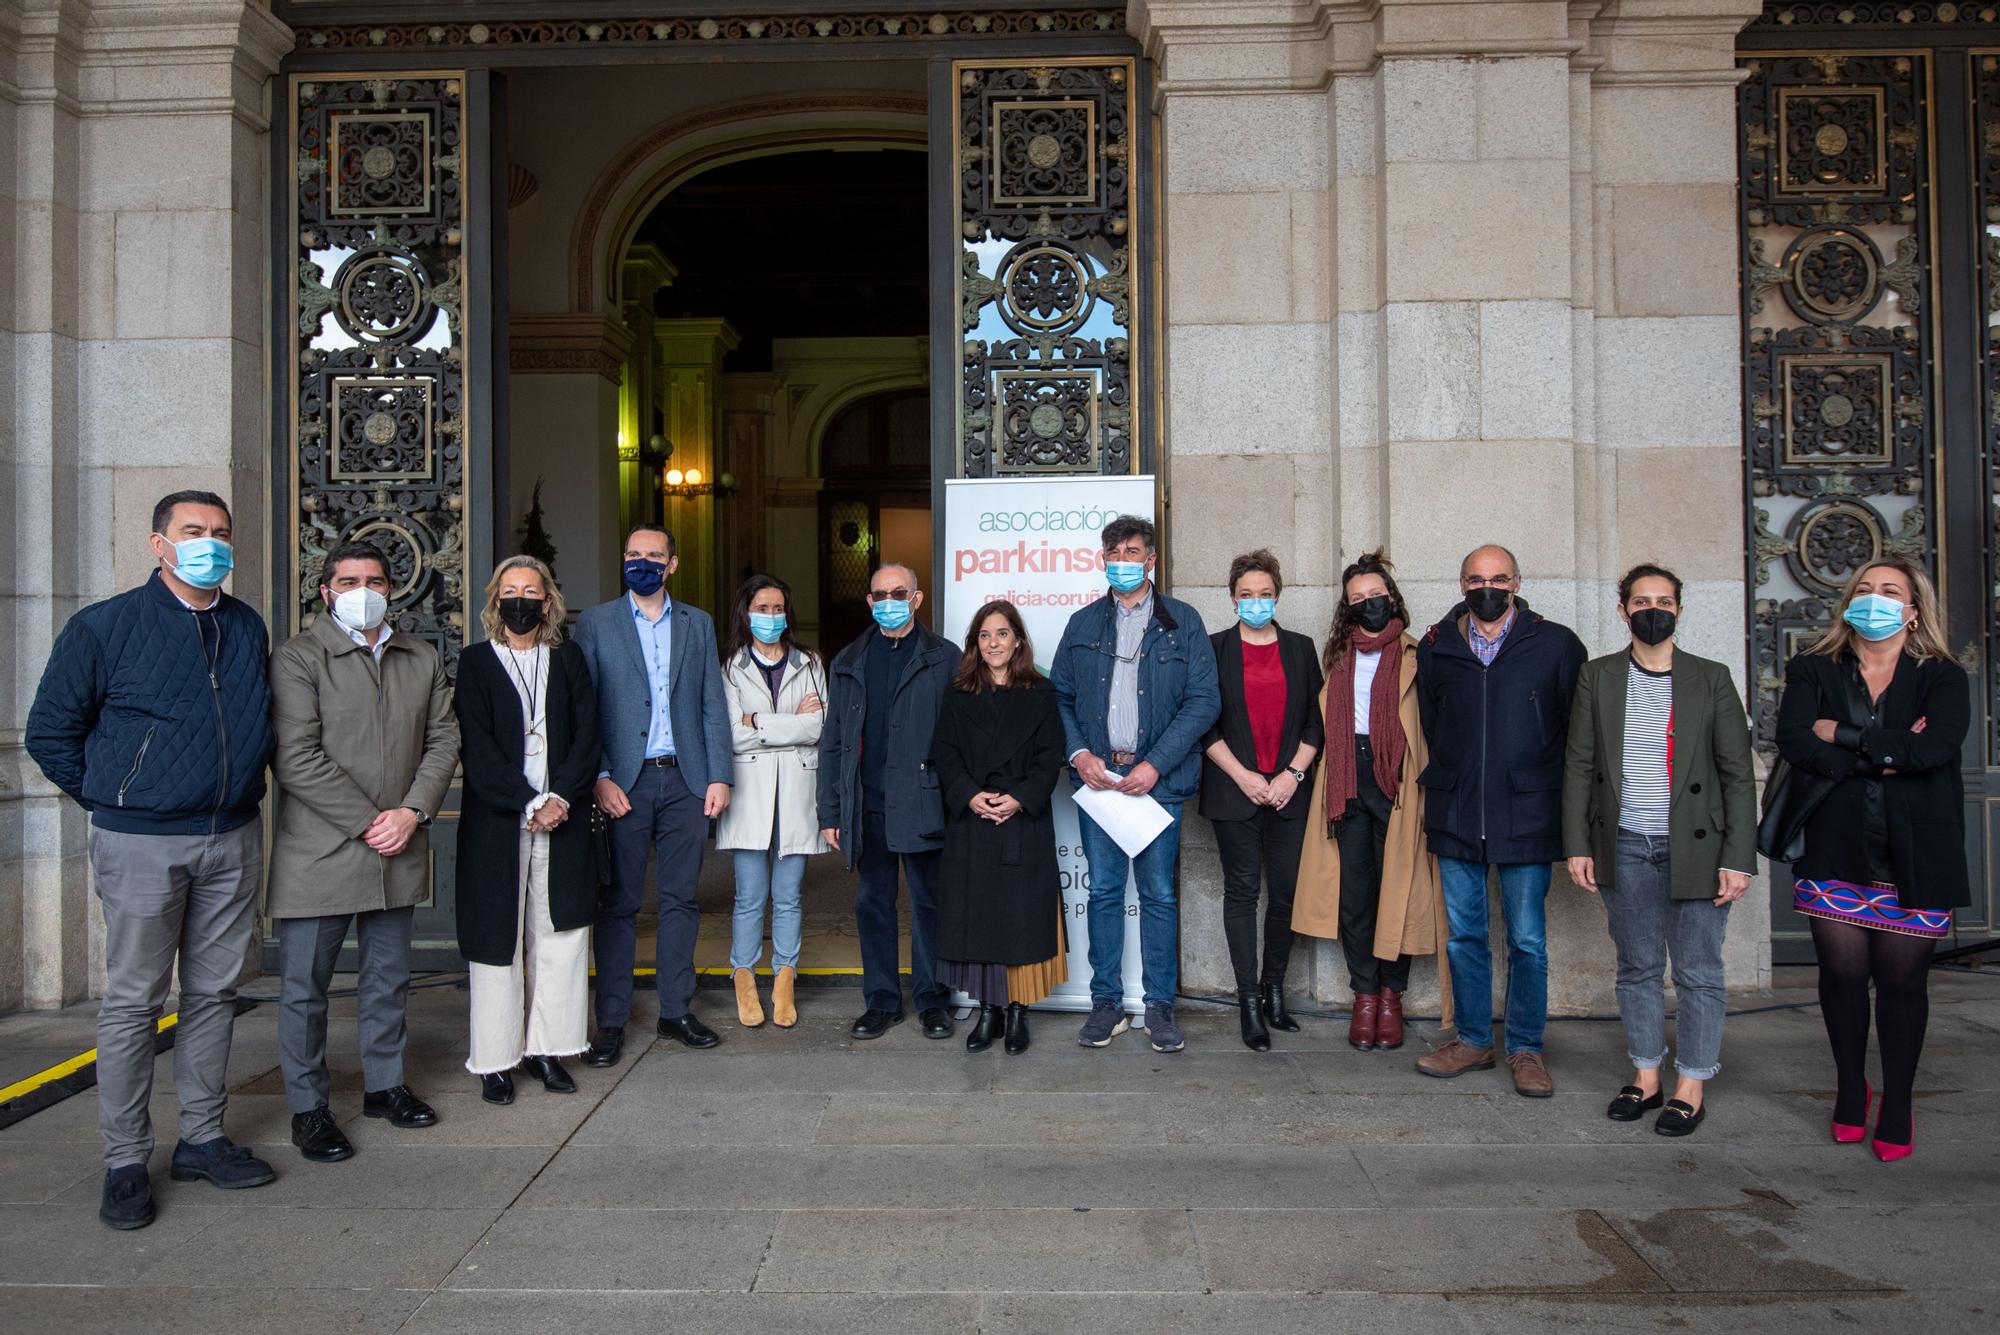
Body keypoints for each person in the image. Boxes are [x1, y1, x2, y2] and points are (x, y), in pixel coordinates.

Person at [25, 490, 279, 1229]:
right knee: (135, 1000)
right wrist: (119, 795)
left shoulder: (243, 624)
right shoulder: (104, 627)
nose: (210, 544)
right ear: (157, 544)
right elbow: (50, 733)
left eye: (221, 533)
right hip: (140, 840)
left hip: (232, 833)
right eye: (193, 532)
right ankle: (126, 1158)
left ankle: (201, 1136)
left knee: (213, 993)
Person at [267, 541, 460, 1162]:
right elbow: (297, 756)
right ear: (326, 591)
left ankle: (385, 1085)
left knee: (387, 979)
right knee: (305, 989)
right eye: (348, 580)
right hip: (320, 850)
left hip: (397, 844)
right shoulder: (299, 659)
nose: (363, 590)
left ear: (392, 588)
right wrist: (371, 821)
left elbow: (443, 738)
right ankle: (308, 1108)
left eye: (374, 579)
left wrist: (412, 812)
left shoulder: (419, 657)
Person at [1776, 557, 1969, 1161]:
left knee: (1903, 982)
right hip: (1835, 847)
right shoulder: (1813, 668)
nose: (1875, 598)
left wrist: (1845, 735)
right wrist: (1888, 752)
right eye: (1864, 589)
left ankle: (1900, 1100)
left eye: (1890, 591)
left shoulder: (1943, 676)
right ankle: (1851, 1089)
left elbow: (1935, 748)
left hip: (1919, 851)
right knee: (1840, 977)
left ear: (1913, 612)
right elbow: (1795, 740)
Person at [1562, 564, 1757, 1137]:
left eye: (1665, 601)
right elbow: (1579, 765)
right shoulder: (1596, 677)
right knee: (1637, 966)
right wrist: (1578, 843)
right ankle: (1646, 1077)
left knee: (1698, 969)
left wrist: (1738, 857)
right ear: (1622, 612)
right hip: (1623, 844)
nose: (1654, 610)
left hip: (1697, 847)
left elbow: (1737, 775)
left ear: (1679, 609)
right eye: (1642, 601)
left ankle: (1691, 1085)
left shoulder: (1711, 677)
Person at [1413, 543, 1585, 1096]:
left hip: (1527, 810)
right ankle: (1470, 1039)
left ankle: (1526, 1048)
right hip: (1458, 808)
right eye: (1475, 579)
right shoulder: (1438, 646)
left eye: (1498, 578)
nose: (1487, 588)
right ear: (1461, 584)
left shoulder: (1556, 644)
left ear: (1517, 581)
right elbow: (1433, 725)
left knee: (1528, 939)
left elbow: (1572, 733)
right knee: (1464, 936)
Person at [1050, 515, 1220, 1053]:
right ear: (1103, 560)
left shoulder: (1183, 622)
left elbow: (1203, 700)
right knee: (1102, 892)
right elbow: (1060, 697)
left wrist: (1157, 765)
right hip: (1100, 781)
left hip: (1157, 784)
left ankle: (1160, 1007)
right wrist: (1079, 753)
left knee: (1159, 894)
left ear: (1150, 560)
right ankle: (1106, 1004)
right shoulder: (1082, 624)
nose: (1122, 560)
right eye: (1113, 552)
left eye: (1132, 552)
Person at [574, 525, 733, 1063]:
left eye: (654, 556)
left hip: (686, 780)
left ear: (673, 564)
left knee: (680, 900)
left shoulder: (697, 623)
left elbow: (713, 702)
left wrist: (718, 774)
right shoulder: (595, 624)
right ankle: (612, 1021)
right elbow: (583, 708)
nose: (643, 562)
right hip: (623, 783)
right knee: (618, 904)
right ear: (624, 560)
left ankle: (675, 1012)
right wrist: (597, 776)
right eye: (634, 555)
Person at [454, 556, 602, 1104]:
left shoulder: (568, 659)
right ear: (496, 600)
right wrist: (529, 800)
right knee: (498, 940)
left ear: (547, 601)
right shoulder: (474, 663)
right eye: (510, 590)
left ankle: (549, 1049)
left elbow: (589, 731)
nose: (521, 599)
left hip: (562, 819)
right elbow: (476, 745)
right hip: (499, 821)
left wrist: (560, 796)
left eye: (531, 591)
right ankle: (496, 1060)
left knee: (560, 936)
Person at [1292, 550, 1448, 1053]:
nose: (1368, 604)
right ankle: (1363, 995)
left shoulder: (1416, 654)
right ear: (1346, 606)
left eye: (1375, 595)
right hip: (1345, 778)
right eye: (1357, 598)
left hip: (1396, 778)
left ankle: (1391, 996)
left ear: (1391, 597)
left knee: (1396, 890)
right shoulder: (1337, 654)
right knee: (1355, 895)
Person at [817, 562, 959, 1040]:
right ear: (869, 602)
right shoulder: (849, 659)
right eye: (880, 594)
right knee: (872, 904)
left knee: (929, 905)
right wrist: (830, 810)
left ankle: (932, 999)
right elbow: (833, 741)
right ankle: (880, 1000)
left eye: (899, 592)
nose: (889, 600)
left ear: (917, 599)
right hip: (867, 805)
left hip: (923, 802)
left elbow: (958, 739)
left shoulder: (944, 657)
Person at [1198, 550, 1324, 1051]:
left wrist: (1293, 773)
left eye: (1264, 593)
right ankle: (1248, 1000)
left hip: (1290, 791)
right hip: (1235, 792)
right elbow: (1203, 720)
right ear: (1232, 598)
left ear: (1278, 595)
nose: (1256, 601)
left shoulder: (1300, 648)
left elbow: (1315, 721)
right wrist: (1244, 776)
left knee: (1287, 893)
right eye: (1246, 594)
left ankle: (1275, 990)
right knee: (1243, 892)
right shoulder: (1214, 648)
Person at [931, 601, 1070, 1055]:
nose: (994, 643)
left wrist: (1020, 799)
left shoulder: (1041, 692)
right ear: (975, 643)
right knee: (979, 919)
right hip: (973, 821)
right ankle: (987, 1007)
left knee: (1020, 919)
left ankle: (1016, 1011)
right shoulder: (957, 693)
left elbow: (1051, 757)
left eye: (1002, 634)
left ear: (1018, 641)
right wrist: (970, 794)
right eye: (985, 635)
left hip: (1021, 822)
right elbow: (945, 754)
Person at [716, 574, 829, 1030]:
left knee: (788, 897)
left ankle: (784, 979)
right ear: (745, 612)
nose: (770, 616)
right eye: (761, 608)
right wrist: (785, 723)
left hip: (798, 792)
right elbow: (732, 735)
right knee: (749, 897)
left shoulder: (810, 662)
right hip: (749, 793)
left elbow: (819, 726)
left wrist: (756, 720)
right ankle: (743, 978)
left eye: (777, 608)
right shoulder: (729, 668)